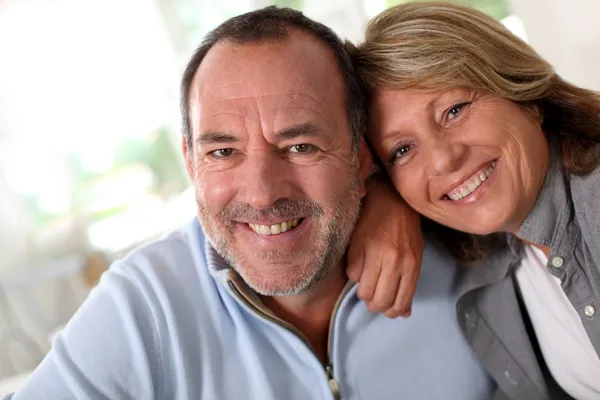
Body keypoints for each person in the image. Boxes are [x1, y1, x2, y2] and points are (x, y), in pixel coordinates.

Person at [4, 7, 494, 400]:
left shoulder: (460, 241)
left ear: (360, 153)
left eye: (300, 146)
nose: (261, 193)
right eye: (222, 151)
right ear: (191, 163)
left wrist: (392, 195)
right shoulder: (143, 308)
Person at [352, 2, 600, 400]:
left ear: (525, 95)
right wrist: (383, 200)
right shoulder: (491, 265)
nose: (443, 159)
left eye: (454, 110)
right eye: (401, 150)